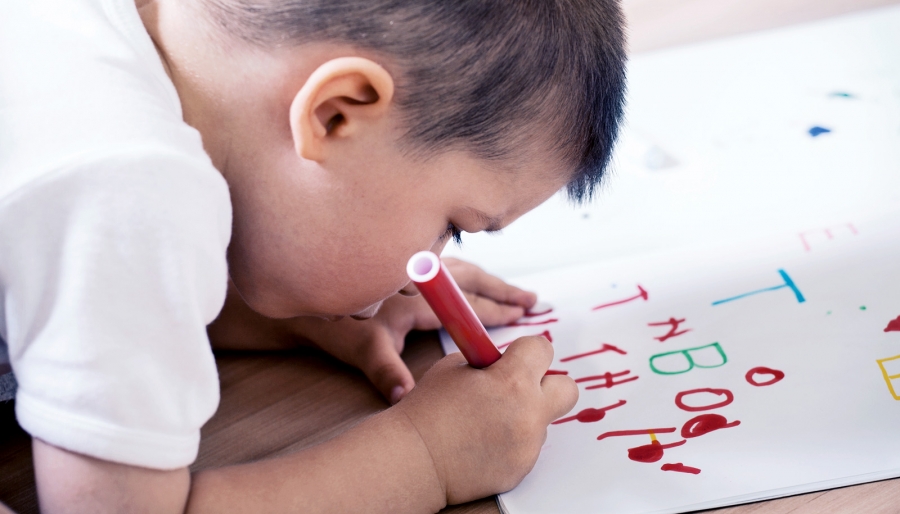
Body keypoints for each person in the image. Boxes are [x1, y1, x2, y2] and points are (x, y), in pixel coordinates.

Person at [0, 0, 627, 511]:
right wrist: (428, 456)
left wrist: (289, 318)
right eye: (451, 226)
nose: (426, 272)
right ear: (335, 116)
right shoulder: (133, 183)